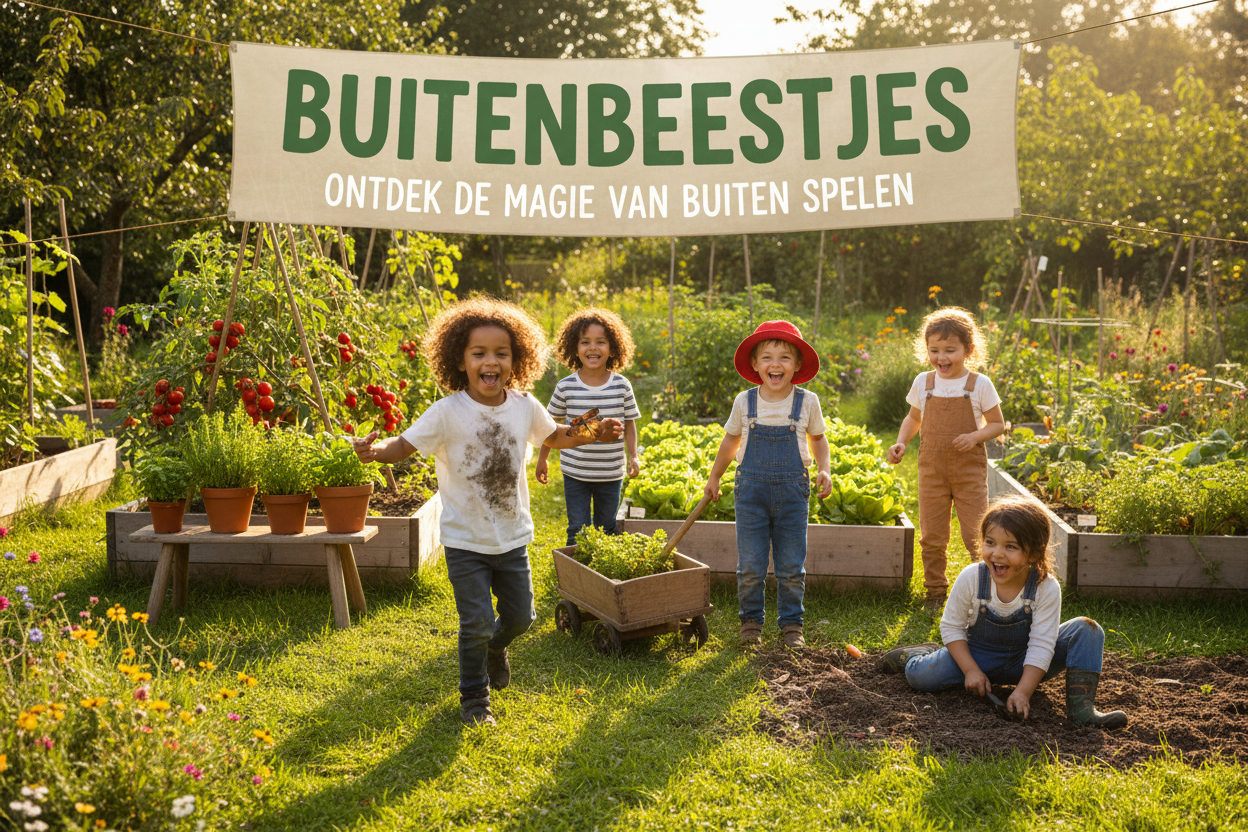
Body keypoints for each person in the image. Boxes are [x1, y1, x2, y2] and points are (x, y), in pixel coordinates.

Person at [353, 297, 622, 727]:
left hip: (512, 537)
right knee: (476, 621)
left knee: (521, 618)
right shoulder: (446, 413)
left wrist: (596, 431)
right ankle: (475, 699)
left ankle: (498, 647)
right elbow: (402, 445)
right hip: (464, 541)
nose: (490, 361)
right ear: (460, 360)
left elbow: (556, 436)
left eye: (501, 353)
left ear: (517, 360)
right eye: (479, 353)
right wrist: (376, 451)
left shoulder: (524, 406)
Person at [879, 495, 1128, 728]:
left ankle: (1082, 711)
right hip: (978, 655)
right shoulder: (972, 577)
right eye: (990, 542)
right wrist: (970, 670)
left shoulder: (1046, 587)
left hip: (1026, 662)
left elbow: (1042, 644)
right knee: (921, 678)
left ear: (1033, 553)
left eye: (1011, 546)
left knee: (1088, 629)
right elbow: (952, 626)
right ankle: (920, 655)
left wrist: (1023, 692)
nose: (997, 553)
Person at [704, 321, 833, 650]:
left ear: (798, 365)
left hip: (793, 494)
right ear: (755, 365)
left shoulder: (807, 402)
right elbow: (731, 439)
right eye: (767, 357)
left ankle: (792, 624)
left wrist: (825, 469)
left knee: (791, 566)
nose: (776, 364)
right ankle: (751, 621)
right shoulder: (744, 402)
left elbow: (818, 439)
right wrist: (715, 476)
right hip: (751, 494)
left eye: (785, 358)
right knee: (751, 564)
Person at [886, 307, 1006, 611]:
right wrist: (901, 442)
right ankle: (936, 591)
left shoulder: (979, 385)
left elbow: (997, 424)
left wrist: (975, 436)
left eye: (950, 350)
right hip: (932, 471)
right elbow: (913, 419)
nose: (942, 357)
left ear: (968, 349)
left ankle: (985, 593)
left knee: (976, 534)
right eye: (934, 350)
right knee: (933, 534)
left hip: (968, 472)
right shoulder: (924, 383)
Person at [536, 307, 641, 546]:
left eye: (600, 342)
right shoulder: (566, 387)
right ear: (575, 348)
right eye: (585, 342)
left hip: (610, 472)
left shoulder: (622, 386)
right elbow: (549, 428)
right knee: (577, 529)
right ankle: (577, 578)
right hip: (576, 472)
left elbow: (630, 425)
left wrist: (633, 456)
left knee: (607, 528)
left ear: (612, 348)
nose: (592, 348)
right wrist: (543, 458)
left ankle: (602, 580)